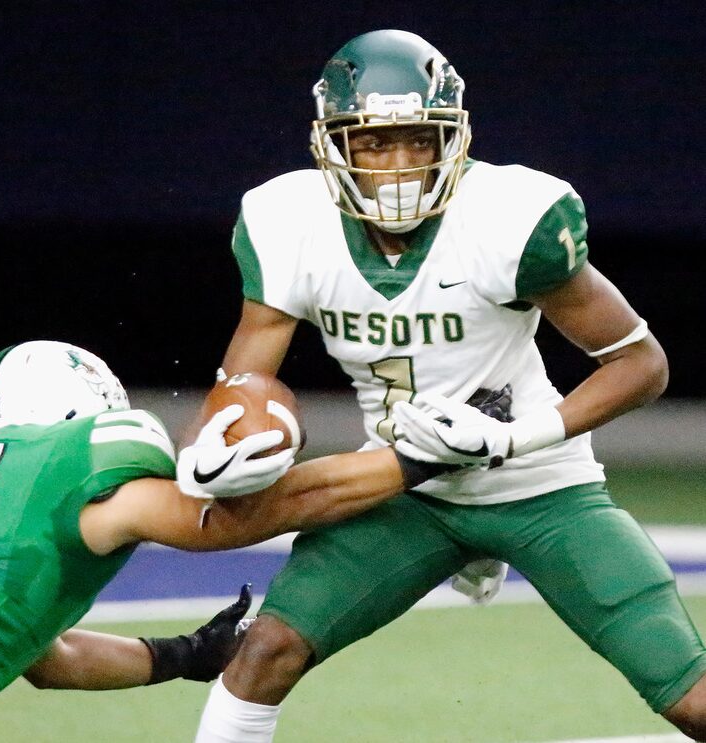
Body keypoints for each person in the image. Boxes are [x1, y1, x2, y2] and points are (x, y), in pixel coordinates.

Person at [191, 29, 706, 742]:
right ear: (331, 144)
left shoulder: (507, 217)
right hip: (401, 488)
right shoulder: (287, 222)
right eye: (374, 143)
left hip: (538, 486)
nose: (400, 164)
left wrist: (509, 438)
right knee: (264, 651)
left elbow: (641, 363)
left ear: (452, 139)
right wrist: (218, 438)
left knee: (692, 700)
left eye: (418, 140)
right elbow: (246, 378)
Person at [0, 339, 435, 742]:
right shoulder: (78, 461)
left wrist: (188, 655)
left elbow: (51, 659)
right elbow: (231, 522)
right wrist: (415, 459)